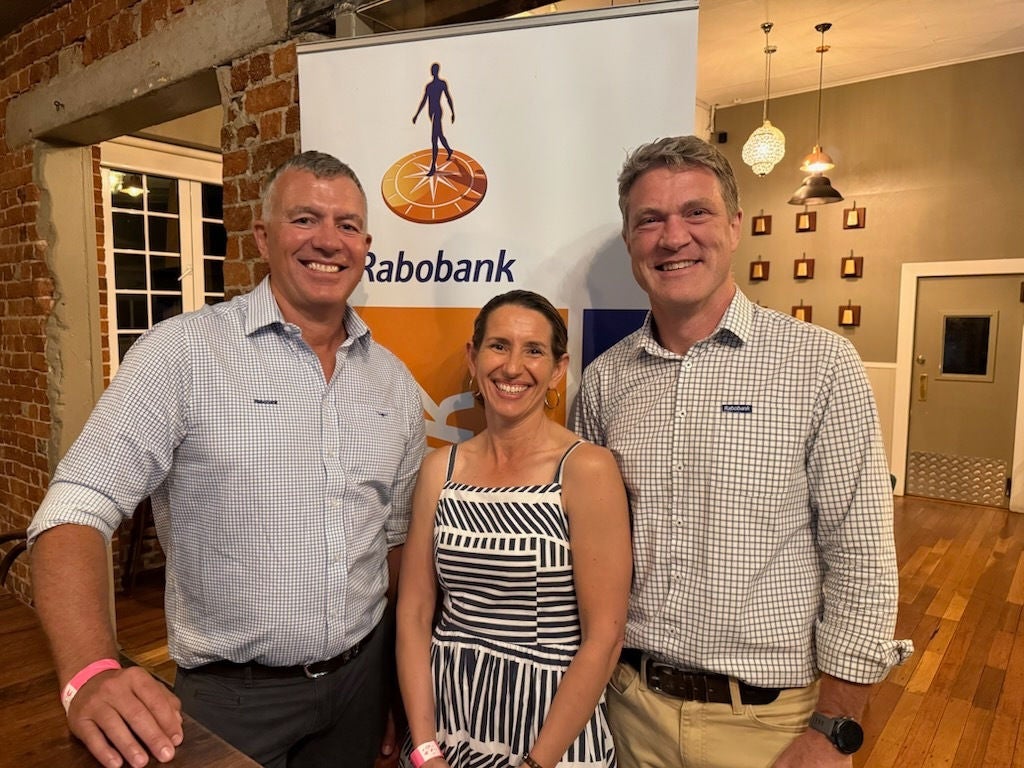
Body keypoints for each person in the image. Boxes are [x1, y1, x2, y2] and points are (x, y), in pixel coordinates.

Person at [28, 151, 427, 768]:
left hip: (360, 684)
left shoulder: (392, 383)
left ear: (365, 245)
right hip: (230, 698)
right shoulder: (182, 354)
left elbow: (395, 543)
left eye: (346, 225)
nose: (328, 240)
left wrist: (401, 681)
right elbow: (75, 509)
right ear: (262, 238)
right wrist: (91, 670)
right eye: (305, 219)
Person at [570, 136, 913, 768]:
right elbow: (586, 552)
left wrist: (834, 728)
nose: (674, 237)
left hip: (769, 727)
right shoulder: (605, 381)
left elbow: (862, 553)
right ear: (630, 242)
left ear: (734, 227)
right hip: (625, 711)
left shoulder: (820, 366)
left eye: (696, 213)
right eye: (650, 219)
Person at [396, 290, 631, 768]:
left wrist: (536, 763)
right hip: (445, 724)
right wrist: (424, 749)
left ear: (559, 368)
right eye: (499, 345)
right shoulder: (440, 468)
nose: (512, 367)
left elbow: (604, 637)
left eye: (534, 350)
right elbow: (416, 613)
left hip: (550, 734)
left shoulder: (586, 468)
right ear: (473, 357)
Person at [412, 62, 455, 176]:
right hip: (431, 113)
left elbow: (448, 97)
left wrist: (452, 112)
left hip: (437, 112)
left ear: (436, 71)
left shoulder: (442, 84)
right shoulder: (429, 86)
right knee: (439, 135)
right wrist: (417, 114)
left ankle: (433, 167)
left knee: (434, 139)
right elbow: (424, 100)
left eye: (433, 69)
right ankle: (449, 150)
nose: (432, 71)